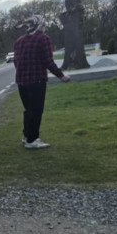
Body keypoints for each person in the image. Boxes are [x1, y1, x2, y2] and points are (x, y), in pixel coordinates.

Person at [13, 15, 71, 149]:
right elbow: (48, 61)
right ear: (40, 25)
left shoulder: (19, 41)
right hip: (36, 81)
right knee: (36, 110)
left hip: (21, 82)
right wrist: (61, 76)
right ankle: (32, 140)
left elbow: (17, 62)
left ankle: (27, 136)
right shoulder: (43, 39)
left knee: (28, 110)